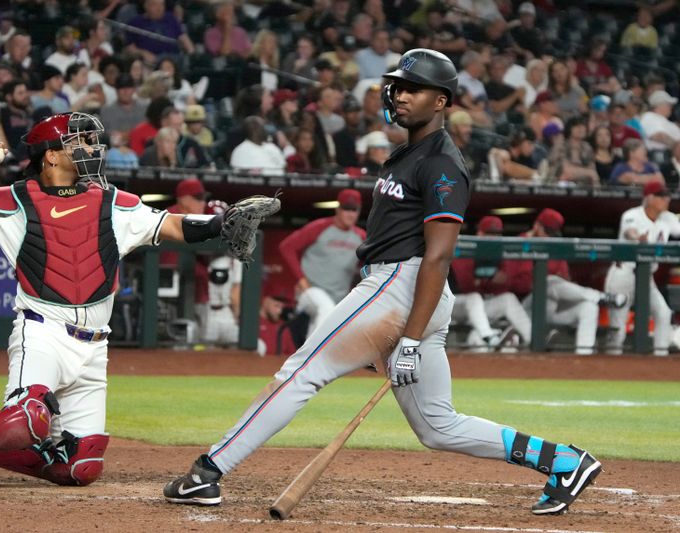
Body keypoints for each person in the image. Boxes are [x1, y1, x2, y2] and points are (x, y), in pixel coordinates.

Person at [163, 49, 602, 516]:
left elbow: (438, 256)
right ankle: (564, 461)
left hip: (404, 286)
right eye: (399, 86)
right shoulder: (407, 153)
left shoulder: (442, 163)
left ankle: (208, 472)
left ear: (442, 101)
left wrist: (409, 338)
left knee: (301, 372)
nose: (401, 94)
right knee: (437, 426)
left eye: (414, 88)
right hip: (402, 291)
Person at [0, 111, 262, 491]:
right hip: (43, 334)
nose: (92, 148)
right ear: (50, 155)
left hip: (95, 347)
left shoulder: (113, 202)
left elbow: (172, 224)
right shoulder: (14, 200)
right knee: (23, 422)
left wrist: (218, 223)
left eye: (93, 141)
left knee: (80, 467)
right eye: (80, 141)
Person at [513, 208, 627, 354]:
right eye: (546, 232)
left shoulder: (555, 247)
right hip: (526, 308)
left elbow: (566, 279)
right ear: (537, 226)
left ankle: (583, 356)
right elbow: (514, 284)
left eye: (551, 234)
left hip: (553, 304)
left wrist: (554, 282)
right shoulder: (518, 243)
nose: (549, 237)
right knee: (549, 281)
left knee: (589, 306)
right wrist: (539, 280)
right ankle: (599, 296)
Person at [604, 180, 680, 356]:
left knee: (663, 313)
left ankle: (659, 357)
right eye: (661, 196)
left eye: (667, 196)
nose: (666, 199)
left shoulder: (667, 217)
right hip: (623, 275)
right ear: (649, 198)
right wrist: (638, 237)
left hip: (646, 277)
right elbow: (629, 232)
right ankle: (610, 364)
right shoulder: (632, 215)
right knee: (618, 325)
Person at [278, 189, 365, 338]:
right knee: (324, 308)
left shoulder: (361, 236)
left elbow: (371, 262)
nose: (350, 214)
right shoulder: (320, 227)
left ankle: (307, 358)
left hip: (339, 297)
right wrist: (301, 280)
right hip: (311, 291)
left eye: (354, 210)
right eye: (346, 209)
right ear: (338, 208)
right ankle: (312, 357)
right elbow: (286, 247)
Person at [451, 216, 532, 350]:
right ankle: (490, 337)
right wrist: (487, 279)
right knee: (474, 297)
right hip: (454, 307)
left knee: (508, 298)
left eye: (497, 234)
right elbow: (464, 285)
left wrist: (487, 280)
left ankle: (533, 339)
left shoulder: (498, 254)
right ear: (480, 233)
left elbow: (505, 284)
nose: (493, 237)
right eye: (490, 233)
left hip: (478, 310)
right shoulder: (465, 247)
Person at [201, 255, 242, 345]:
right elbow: (235, 295)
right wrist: (237, 317)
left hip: (210, 313)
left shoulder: (204, 259)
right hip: (225, 314)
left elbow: (234, 295)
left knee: (205, 349)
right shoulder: (236, 262)